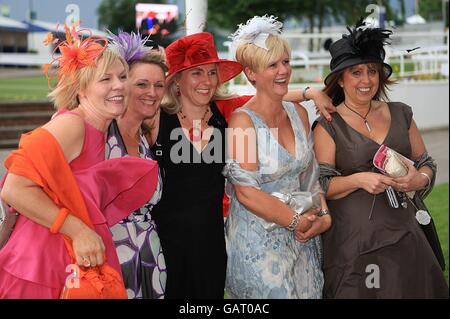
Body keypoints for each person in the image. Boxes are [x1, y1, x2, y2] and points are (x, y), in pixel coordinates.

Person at [148, 31, 334, 299]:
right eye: (196, 73)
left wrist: (309, 92)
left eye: (212, 73)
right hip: (167, 243)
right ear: (177, 79)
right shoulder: (157, 120)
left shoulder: (224, 114)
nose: (207, 82)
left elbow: (269, 96)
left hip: (211, 244)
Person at [0, 25, 158, 298]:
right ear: (81, 89)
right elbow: (14, 188)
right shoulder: (73, 125)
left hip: (65, 261)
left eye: (122, 76)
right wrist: (78, 230)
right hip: (40, 265)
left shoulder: (99, 128)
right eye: (105, 79)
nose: (119, 85)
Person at [312, 20, 449, 298]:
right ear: (340, 78)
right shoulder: (328, 124)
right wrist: (358, 180)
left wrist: (418, 178)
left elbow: (426, 163)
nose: (366, 80)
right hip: (355, 244)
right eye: (356, 72)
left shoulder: (401, 113)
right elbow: (320, 185)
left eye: (372, 71)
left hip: (406, 235)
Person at [222, 15, 331, 299]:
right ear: (251, 74)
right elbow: (245, 192)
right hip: (259, 247)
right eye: (273, 65)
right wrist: (297, 221)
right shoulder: (242, 122)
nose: (283, 70)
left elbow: (310, 178)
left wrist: (324, 216)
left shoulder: (300, 114)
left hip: (303, 242)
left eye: (286, 62)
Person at [106, 31, 167, 299]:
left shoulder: (144, 138)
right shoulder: (100, 134)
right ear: (122, 85)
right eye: (142, 84)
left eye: (159, 85)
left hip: (150, 259)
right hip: (110, 258)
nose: (152, 93)